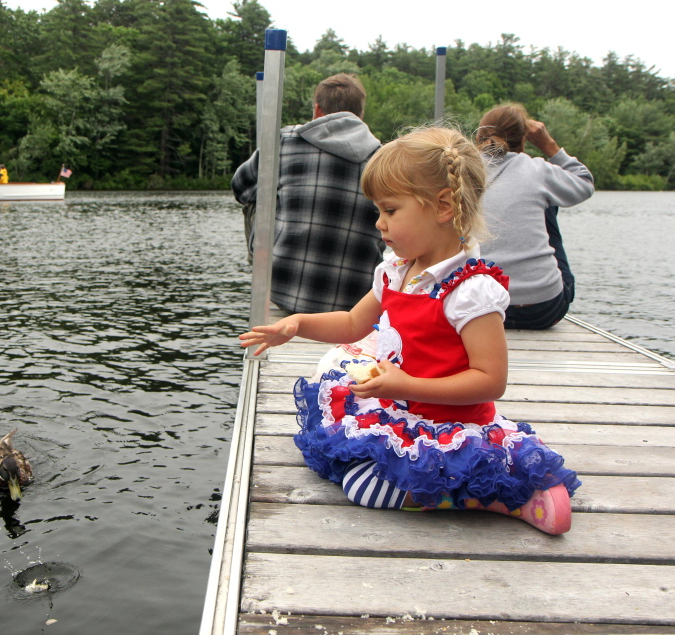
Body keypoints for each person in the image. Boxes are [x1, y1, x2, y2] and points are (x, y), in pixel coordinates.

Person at [239, 126, 580, 535]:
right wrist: (297, 326)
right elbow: (352, 323)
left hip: (450, 426)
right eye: (378, 211)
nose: (380, 224)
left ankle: (498, 497)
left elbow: (490, 381)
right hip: (402, 409)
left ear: (443, 206)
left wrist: (407, 384)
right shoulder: (396, 272)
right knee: (335, 448)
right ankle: (468, 490)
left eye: (391, 210)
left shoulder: (469, 290)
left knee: (363, 487)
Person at [231, 73, 384, 313]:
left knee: (257, 198)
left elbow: (240, 188)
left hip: (282, 291)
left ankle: (261, 273)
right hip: (356, 301)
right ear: (360, 115)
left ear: (317, 110)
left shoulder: (285, 140)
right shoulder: (382, 159)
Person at [476, 103, 595, 329]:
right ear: (523, 140)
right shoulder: (537, 170)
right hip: (542, 309)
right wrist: (549, 146)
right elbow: (584, 184)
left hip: (478, 310)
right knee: (548, 202)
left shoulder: (462, 171)